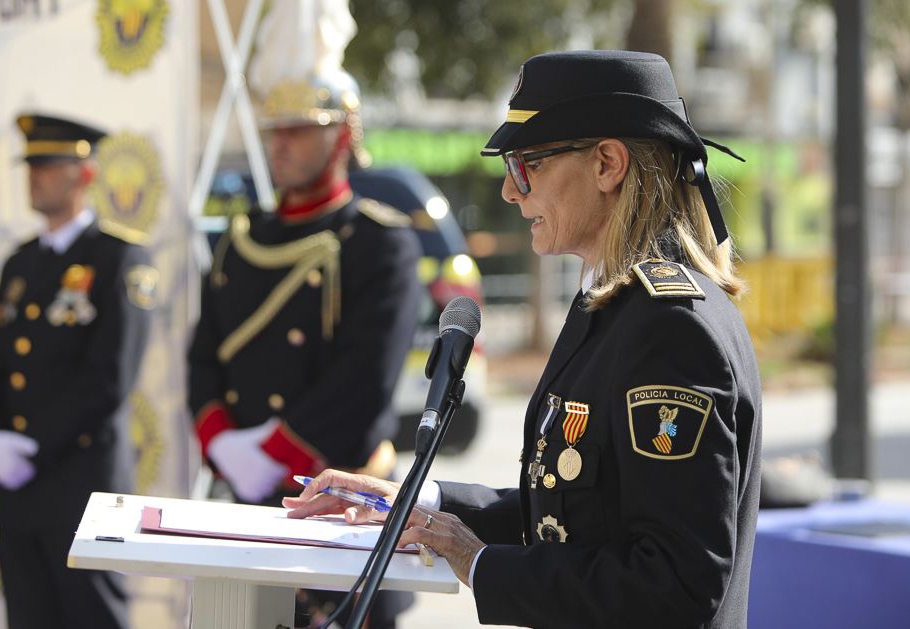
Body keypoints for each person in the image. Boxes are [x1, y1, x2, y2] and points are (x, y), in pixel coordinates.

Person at [285, 50, 763, 629]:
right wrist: (416, 502)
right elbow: (571, 514)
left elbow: (674, 584)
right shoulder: (617, 306)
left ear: (607, 164)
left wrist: (478, 562)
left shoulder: (669, 326)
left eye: (526, 164)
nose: (512, 192)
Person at [186, 68, 421, 628]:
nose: (280, 144)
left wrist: (274, 451)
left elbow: (366, 379)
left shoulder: (378, 241)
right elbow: (203, 354)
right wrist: (220, 441)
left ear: (341, 137)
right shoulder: (241, 239)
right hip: (247, 500)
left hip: (340, 505)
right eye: (275, 131)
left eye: (298, 129)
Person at [0, 113, 156, 629]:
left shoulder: (119, 257)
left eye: (50, 165)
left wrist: (32, 444)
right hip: (18, 493)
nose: (36, 177)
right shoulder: (20, 263)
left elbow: (110, 378)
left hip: (82, 487)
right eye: (32, 166)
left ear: (86, 174)